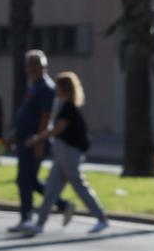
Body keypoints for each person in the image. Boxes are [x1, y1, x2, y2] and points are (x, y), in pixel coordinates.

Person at [16, 70, 108, 235]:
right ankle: (39, 224)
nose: (55, 89)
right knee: (51, 189)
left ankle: (101, 219)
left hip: (69, 154)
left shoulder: (68, 108)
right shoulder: (63, 105)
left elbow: (57, 130)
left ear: (63, 88)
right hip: (61, 154)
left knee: (79, 187)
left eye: (57, 86)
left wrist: (36, 139)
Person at [8, 49, 64, 232]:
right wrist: (15, 135)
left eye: (35, 64)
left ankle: (27, 217)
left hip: (34, 142)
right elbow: (27, 115)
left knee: (25, 180)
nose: (32, 68)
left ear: (44, 67)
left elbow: (45, 117)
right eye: (29, 64)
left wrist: (39, 142)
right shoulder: (34, 87)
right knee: (30, 180)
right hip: (25, 140)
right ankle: (62, 205)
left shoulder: (46, 88)